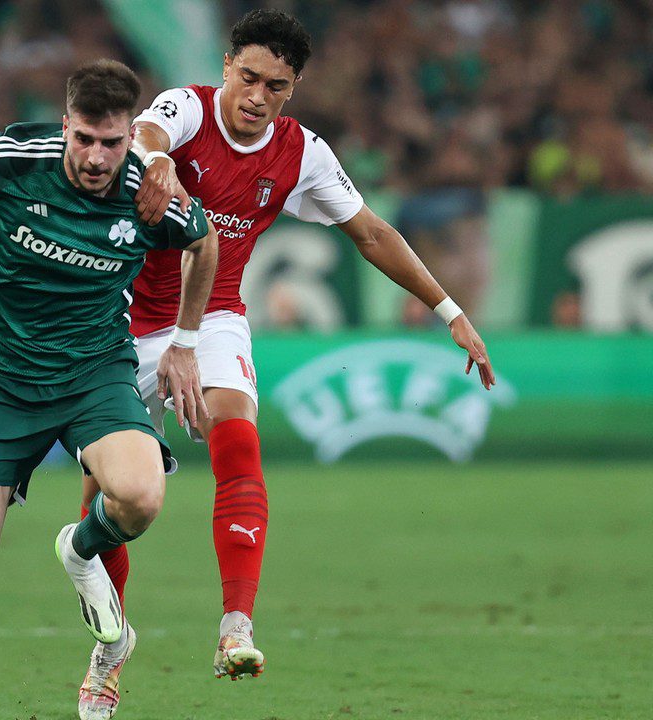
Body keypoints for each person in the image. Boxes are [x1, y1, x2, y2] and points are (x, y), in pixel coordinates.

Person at [79, 8, 498, 689]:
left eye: (275, 86)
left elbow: (371, 233)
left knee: (238, 435)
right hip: (118, 324)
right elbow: (150, 129)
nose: (257, 97)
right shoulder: (188, 109)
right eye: (248, 77)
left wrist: (449, 310)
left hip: (212, 315)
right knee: (113, 501)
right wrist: (156, 163)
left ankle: (236, 627)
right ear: (226, 67)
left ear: (293, 88)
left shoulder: (302, 153)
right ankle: (108, 649)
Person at [0, 60, 219, 720]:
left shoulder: (149, 190)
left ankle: (80, 548)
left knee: (142, 497)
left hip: (93, 372)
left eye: (112, 142)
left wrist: (185, 341)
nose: (96, 158)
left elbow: (202, 245)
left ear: (130, 137)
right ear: (65, 126)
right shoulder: (15, 158)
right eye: (84, 139)